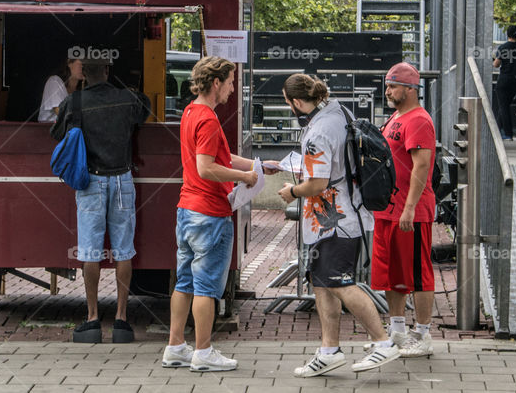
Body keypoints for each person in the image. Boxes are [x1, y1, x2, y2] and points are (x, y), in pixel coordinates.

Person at [267, 73, 400, 377]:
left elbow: (317, 182)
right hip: (340, 214)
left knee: (341, 283)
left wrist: (292, 191)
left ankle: (383, 343)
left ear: (298, 102)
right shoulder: (340, 112)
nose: (290, 110)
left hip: (334, 221)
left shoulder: (317, 133)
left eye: (289, 104)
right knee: (323, 283)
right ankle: (329, 350)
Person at [162, 56, 257, 372]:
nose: (232, 88)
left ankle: (176, 346)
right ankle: (203, 351)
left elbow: (219, 154)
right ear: (216, 83)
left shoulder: (191, 112)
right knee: (205, 287)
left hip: (187, 210)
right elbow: (207, 167)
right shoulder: (209, 119)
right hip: (210, 213)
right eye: (230, 82)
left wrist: (256, 166)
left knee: (184, 282)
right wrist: (245, 178)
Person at [50, 56, 150, 343]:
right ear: (107, 71)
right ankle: (121, 321)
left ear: (84, 75)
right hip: (122, 179)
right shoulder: (127, 99)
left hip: (90, 180)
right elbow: (145, 108)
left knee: (90, 251)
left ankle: (92, 320)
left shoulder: (75, 102)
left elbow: (57, 133)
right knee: (124, 251)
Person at [371, 62, 440, 358]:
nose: (388, 90)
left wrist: (410, 208)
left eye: (393, 85)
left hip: (408, 212)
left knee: (418, 273)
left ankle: (423, 334)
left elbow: (422, 165)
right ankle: (397, 329)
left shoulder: (419, 120)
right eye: (387, 84)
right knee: (391, 272)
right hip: (389, 209)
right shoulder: (395, 117)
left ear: (411, 89)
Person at [39, 56, 84, 122]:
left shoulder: (82, 89)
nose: (84, 68)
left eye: (87, 65)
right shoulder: (54, 81)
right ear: (69, 62)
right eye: (81, 64)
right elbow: (62, 113)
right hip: (47, 129)